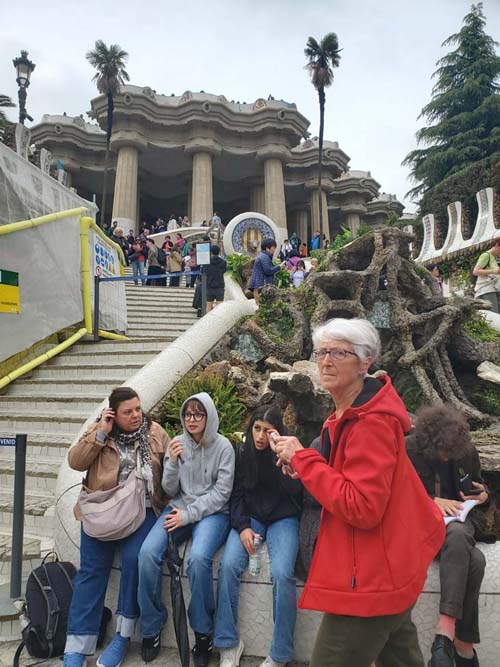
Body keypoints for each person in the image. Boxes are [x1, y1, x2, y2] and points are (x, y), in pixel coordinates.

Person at [273, 318, 445, 667]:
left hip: (370, 579)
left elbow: (362, 507)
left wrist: (304, 460)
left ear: (365, 362)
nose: (325, 361)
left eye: (339, 352)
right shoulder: (348, 413)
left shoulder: (369, 423)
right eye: (321, 351)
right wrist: (304, 466)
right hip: (386, 566)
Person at [62, 388, 169, 667]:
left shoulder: (155, 433)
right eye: (127, 411)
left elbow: (172, 474)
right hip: (103, 511)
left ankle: (122, 636)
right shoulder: (101, 431)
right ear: (113, 413)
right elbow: (76, 462)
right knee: (90, 572)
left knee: (134, 561)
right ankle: (76, 647)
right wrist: (100, 432)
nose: (135, 415)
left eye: (138, 409)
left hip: (143, 511)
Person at [138, 392, 235, 667]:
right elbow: (169, 490)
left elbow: (222, 494)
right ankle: (152, 625)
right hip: (179, 506)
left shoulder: (224, 447)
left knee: (198, 559)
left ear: (209, 417)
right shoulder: (178, 443)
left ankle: (203, 633)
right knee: (146, 554)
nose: (192, 420)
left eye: (198, 414)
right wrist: (170, 462)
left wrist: (189, 516)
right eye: (188, 415)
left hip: (212, 514)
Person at [214, 405, 301, 667]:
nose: (261, 437)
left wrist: (285, 460)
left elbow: (297, 495)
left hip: (283, 517)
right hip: (251, 518)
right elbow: (236, 494)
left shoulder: (289, 452)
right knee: (228, 565)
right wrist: (242, 527)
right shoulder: (242, 453)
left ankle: (280, 653)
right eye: (257, 429)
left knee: (283, 574)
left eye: (268, 431)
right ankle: (228, 643)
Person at [407, 404, 492, 667]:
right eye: (442, 451)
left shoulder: (466, 451)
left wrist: (484, 496)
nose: (446, 457)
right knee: (476, 561)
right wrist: (431, 501)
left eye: (450, 452)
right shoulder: (409, 449)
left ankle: (444, 636)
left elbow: (478, 490)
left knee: (456, 533)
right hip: (419, 524)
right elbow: (395, 492)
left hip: (457, 522)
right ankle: (463, 646)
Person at [248, 239, 284, 304]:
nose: (274, 250)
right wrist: (279, 267)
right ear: (267, 248)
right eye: (273, 248)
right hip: (261, 286)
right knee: (262, 305)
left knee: (259, 306)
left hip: (257, 285)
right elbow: (268, 271)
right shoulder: (265, 257)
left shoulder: (262, 256)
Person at [472, 236, 500, 313]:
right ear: (497, 245)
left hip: (493, 289)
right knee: (494, 315)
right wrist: (493, 271)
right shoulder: (486, 255)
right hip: (486, 290)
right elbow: (475, 271)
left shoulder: (493, 258)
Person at [206, 244, 227, 311]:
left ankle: (207, 320)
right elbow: (224, 271)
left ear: (211, 252)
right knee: (220, 306)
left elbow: (205, 272)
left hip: (210, 285)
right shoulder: (223, 262)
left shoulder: (207, 262)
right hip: (219, 285)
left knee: (209, 305)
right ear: (219, 252)